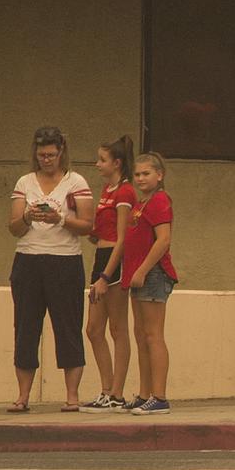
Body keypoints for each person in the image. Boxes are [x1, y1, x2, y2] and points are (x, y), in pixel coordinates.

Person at [5, 125, 92, 413]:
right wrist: (28, 216)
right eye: (42, 155)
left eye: (52, 155)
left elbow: (88, 226)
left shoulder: (76, 181)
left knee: (67, 326)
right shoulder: (25, 182)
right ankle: (23, 395)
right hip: (28, 259)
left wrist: (60, 219)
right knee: (26, 327)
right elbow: (14, 227)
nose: (47, 160)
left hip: (64, 260)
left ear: (61, 153)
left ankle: (71, 395)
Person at [116, 152, 177, 415]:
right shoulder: (142, 203)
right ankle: (144, 393)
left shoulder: (160, 200)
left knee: (153, 335)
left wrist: (142, 270)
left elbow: (163, 240)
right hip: (137, 276)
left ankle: (159, 395)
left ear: (159, 175)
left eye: (146, 174)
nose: (141, 178)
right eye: (137, 174)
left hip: (153, 275)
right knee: (141, 335)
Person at [84, 135, 137, 410]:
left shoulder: (125, 192)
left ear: (117, 163)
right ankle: (106, 389)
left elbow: (122, 238)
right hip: (100, 256)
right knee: (93, 328)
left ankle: (117, 392)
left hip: (115, 261)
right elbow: (99, 233)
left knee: (117, 328)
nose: (97, 164)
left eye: (102, 160)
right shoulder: (106, 189)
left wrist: (106, 276)